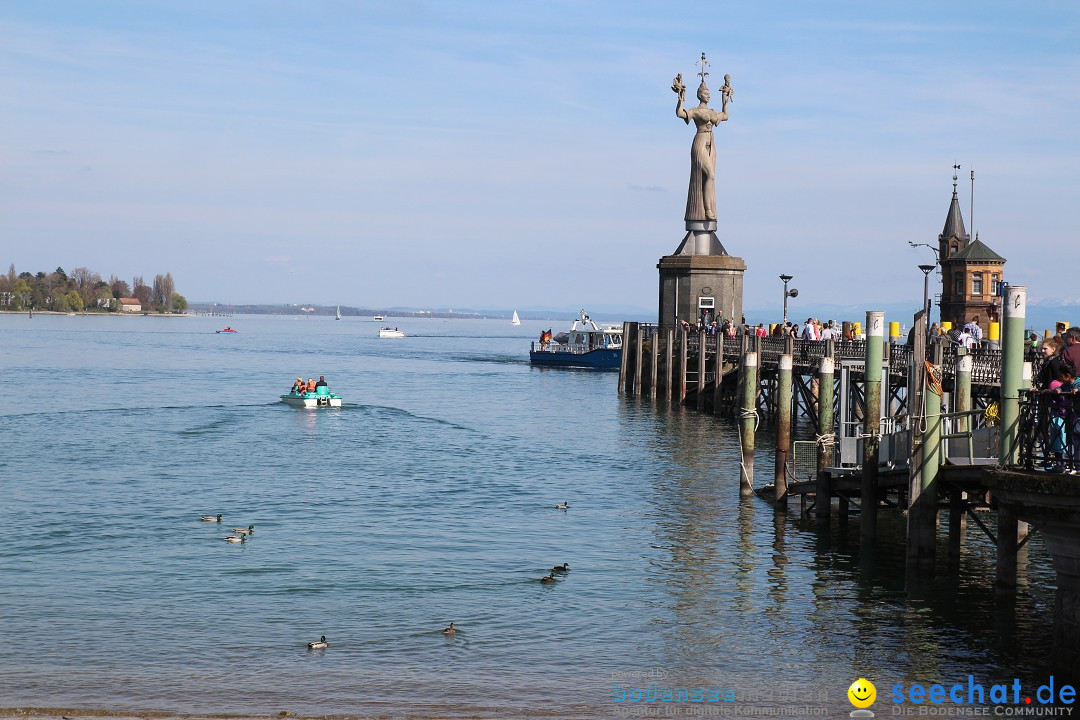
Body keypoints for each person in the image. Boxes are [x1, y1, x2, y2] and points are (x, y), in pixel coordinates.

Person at [672, 60, 732, 223]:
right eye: (706, 93)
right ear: (700, 94)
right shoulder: (696, 111)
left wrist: (724, 97)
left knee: (710, 177)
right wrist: (680, 97)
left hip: (711, 144)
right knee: (710, 175)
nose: (708, 94)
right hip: (700, 142)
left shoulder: (712, 112)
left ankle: (708, 209)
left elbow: (725, 116)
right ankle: (707, 210)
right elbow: (680, 113)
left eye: (709, 93)